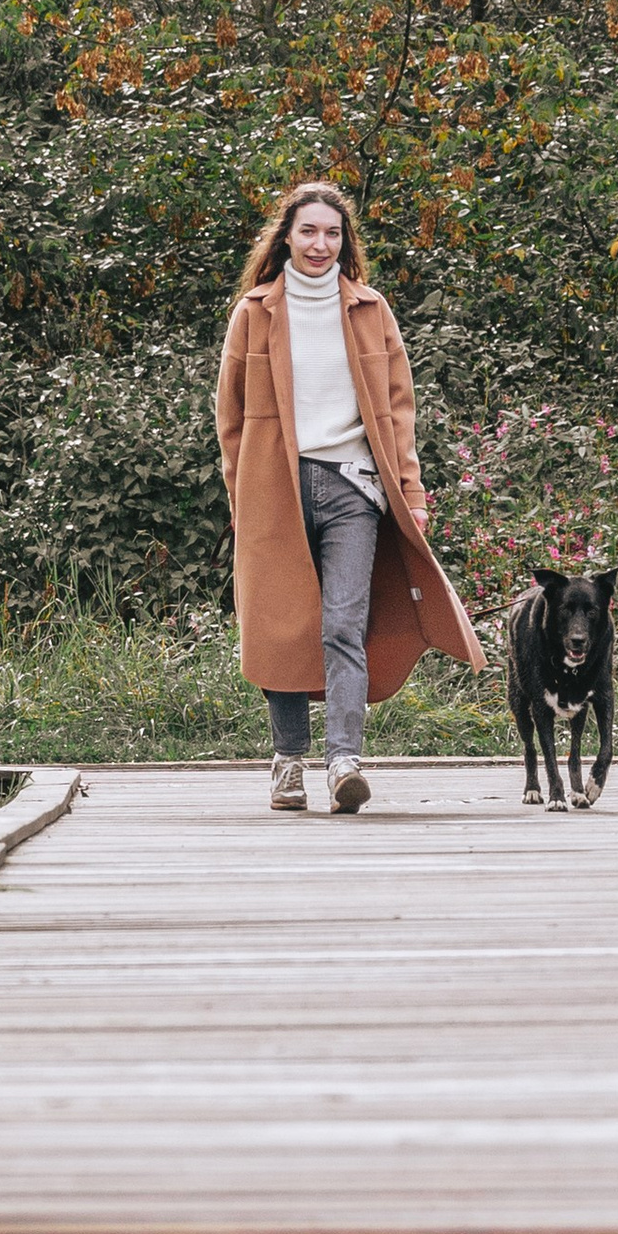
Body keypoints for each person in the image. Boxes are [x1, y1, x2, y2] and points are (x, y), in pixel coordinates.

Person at [214, 177, 484, 811]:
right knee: (283, 626)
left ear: (345, 241)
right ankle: (288, 763)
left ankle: (344, 764)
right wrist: (241, 498)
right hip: (274, 491)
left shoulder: (371, 311)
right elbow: (229, 419)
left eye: (332, 232)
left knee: (343, 622)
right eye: (308, 230)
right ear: (285, 237)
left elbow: (399, 411)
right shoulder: (255, 310)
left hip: (353, 488)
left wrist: (411, 492)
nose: (320, 243)